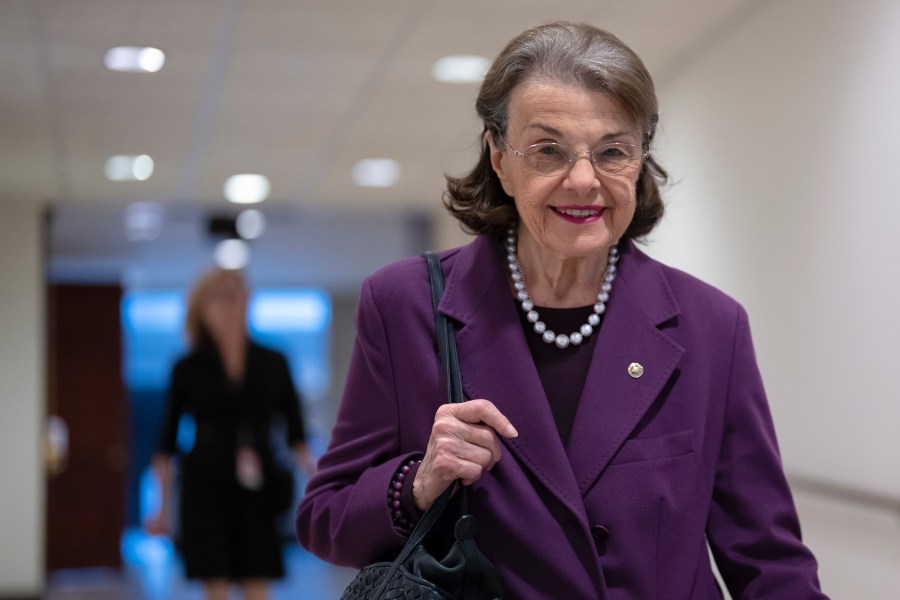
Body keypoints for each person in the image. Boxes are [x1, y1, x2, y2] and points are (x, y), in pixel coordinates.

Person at [295, 21, 827, 599]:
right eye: (548, 150)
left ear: (640, 160)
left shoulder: (710, 326)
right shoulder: (405, 306)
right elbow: (325, 520)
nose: (582, 180)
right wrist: (418, 481)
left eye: (612, 152)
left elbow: (769, 560)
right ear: (500, 159)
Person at [147, 268, 315, 600]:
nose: (229, 304)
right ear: (201, 307)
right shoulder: (187, 367)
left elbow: (297, 436)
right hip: (205, 485)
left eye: (236, 294)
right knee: (215, 582)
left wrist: (320, 490)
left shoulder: (274, 361)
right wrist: (161, 509)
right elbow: (166, 444)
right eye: (220, 296)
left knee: (258, 579)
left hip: (260, 487)